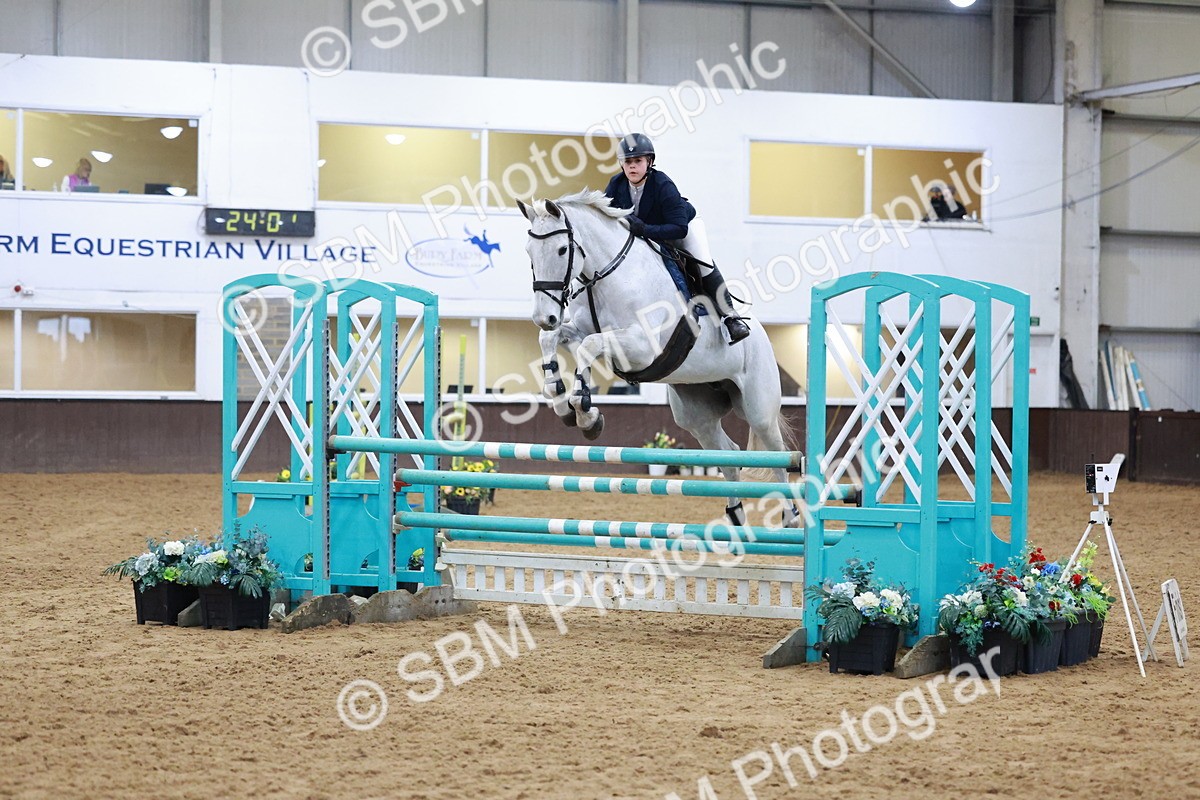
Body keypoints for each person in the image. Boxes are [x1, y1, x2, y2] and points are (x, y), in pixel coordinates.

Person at [603, 134, 750, 345]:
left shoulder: (663, 184)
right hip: (646, 233)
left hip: (682, 227)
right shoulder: (616, 184)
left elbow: (679, 228)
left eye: (638, 161)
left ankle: (731, 317)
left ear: (649, 162)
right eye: (628, 161)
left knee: (703, 261)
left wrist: (644, 229)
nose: (632, 166)